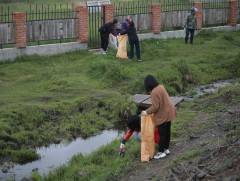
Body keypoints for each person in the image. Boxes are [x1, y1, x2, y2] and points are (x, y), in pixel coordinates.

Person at [142, 75, 177, 159]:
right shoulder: (161, 86)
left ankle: (161, 152)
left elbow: (155, 107)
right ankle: (166, 149)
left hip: (163, 114)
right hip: (170, 110)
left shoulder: (154, 92)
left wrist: (146, 111)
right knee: (167, 131)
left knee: (162, 134)